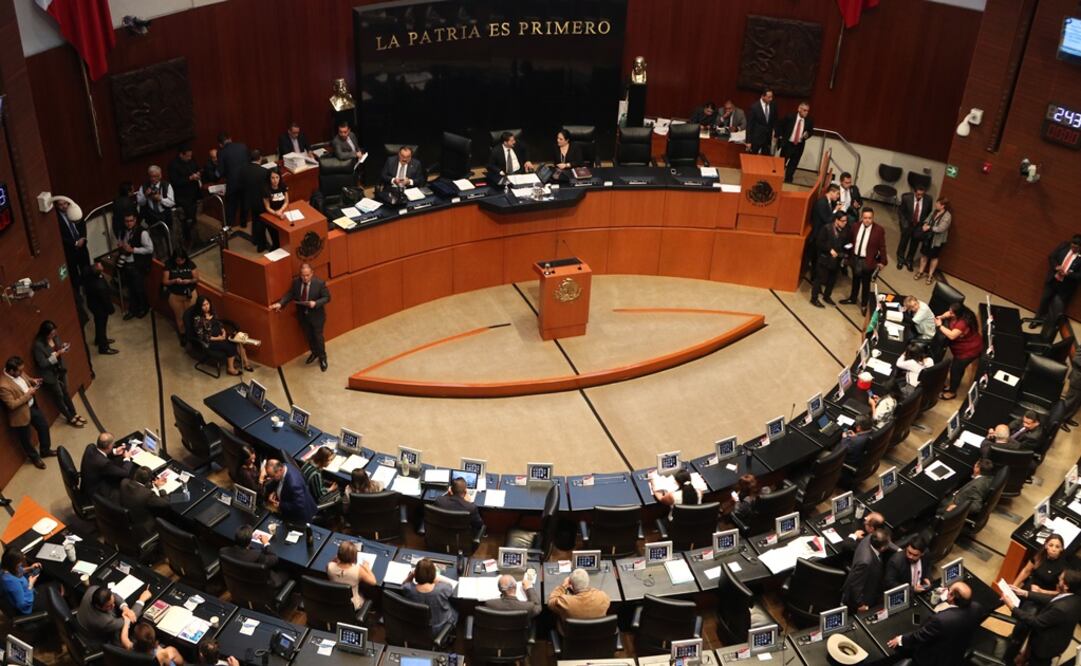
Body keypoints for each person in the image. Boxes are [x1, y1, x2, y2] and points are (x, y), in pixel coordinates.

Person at [886, 581, 981, 665]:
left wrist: (900, 639)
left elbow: (919, 636)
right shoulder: (977, 608)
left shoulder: (941, 620)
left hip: (934, 660)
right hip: (957, 652)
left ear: (951, 596)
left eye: (948, 590)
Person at [1006, 535, 1067, 660]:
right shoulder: (1039, 556)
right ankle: (1014, 640)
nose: (1054, 549)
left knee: (1026, 625)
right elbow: (1026, 571)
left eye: (1057, 546)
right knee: (1018, 621)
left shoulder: (1063, 567)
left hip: (1042, 599)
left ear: (1062, 549)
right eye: (1051, 545)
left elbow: (1059, 593)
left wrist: (1041, 591)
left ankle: (1016, 653)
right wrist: (1013, 586)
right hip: (1027, 592)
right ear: (1045, 546)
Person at [1006, 569, 1081, 666]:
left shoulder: (1061, 608)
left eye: (1061, 579)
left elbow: (1036, 622)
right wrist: (1024, 593)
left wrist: (1012, 607)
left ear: (1066, 586)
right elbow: (1054, 599)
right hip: (1058, 639)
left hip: (1045, 647)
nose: (1058, 579)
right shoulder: (1074, 597)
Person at [270, 262, 331, 371]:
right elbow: (290, 294)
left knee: (318, 338)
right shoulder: (296, 283)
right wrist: (281, 303)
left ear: (312, 273)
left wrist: (316, 303)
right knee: (309, 336)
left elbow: (327, 297)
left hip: (317, 317)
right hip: (303, 316)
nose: (305, 278)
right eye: (303, 275)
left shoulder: (319, 283)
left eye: (307, 275)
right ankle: (314, 353)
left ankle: (322, 357)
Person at [1, 355, 53, 469]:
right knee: (26, 440)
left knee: (43, 427)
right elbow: (11, 404)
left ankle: (45, 450)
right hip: (20, 415)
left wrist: (33, 380)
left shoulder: (19, 372)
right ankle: (35, 458)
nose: (22, 372)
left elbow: (25, 378)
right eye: (19, 370)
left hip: (32, 408)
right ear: (11, 371)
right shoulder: (3, 385)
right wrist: (28, 395)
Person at [32, 320, 86, 427]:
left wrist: (64, 347)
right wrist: (57, 354)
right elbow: (42, 364)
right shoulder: (38, 346)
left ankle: (74, 413)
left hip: (60, 369)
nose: (54, 335)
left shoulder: (55, 337)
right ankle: (69, 417)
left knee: (66, 392)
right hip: (50, 375)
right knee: (59, 396)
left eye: (54, 332)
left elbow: (59, 347)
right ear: (45, 333)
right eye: (51, 333)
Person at [840, 208, 888, 314]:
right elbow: (850, 241)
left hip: (868, 261)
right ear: (862, 217)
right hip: (855, 258)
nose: (867, 220)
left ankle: (864, 305)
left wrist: (883, 261)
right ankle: (852, 298)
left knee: (866, 284)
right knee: (855, 280)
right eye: (865, 218)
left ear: (873, 218)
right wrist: (846, 255)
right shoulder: (855, 226)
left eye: (870, 218)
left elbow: (882, 247)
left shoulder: (879, 230)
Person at [192, 296, 252, 376]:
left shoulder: (212, 312)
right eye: (203, 305)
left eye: (207, 304)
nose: (206, 307)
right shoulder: (198, 319)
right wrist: (218, 338)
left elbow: (219, 323)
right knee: (230, 346)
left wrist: (223, 331)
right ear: (200, 307)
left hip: (221, 336)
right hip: (211, 341)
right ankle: (230, 368)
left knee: (238, 340)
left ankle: (246, 363)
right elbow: (202, 336)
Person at [935, 302, 982, 400]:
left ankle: (952, 392)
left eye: (952, 313)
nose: (949, 313)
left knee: (955, 370)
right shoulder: (960, 314)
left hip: (968, 350)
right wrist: (942, 316)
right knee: (958, 369)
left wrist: (940, 326)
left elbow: (952, 336)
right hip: (963, 348)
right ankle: (953, 385)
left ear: (958, 313)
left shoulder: (962, 323)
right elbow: (947, 314)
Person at [401, 558, 458, 637]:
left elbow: (404, 584)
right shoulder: (442, 589)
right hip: (440, 628)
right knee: (456, 610)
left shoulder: (409, 589)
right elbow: (450, 586)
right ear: (433, 574)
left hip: (418, 627)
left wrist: (411, 575)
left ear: (416, 574)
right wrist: (436, 579)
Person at [77, 583, 152, 643]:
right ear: (98, 606)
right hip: (94, 636)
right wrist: (142, 599)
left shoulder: (92, 589)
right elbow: (130, 619)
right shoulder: (105, 621)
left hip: (82, 619)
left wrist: (125, 608)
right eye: (109, 606)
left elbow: (113, 595)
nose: (113, 605)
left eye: (113, 603)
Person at [221, 525, 289, 588]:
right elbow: (274, 559)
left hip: (238, 580)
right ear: (249, 541)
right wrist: (266, 543)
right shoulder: (256, 556)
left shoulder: (223, 551)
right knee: (288, 570)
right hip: (262, 585)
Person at [1034, 234, 1081, 326]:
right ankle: (1037, 320)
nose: (1073, 249)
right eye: (1072, 246)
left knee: (1057, 306)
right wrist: (1056, 267)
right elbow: (1052, 257)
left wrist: (1069, 274)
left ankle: (1049, 325)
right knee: (1044, 300)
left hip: (1066, 285)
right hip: (1053, 279)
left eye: (1076, 248)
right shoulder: (1063, 246)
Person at [841, 526, 892, 611]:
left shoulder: (871, 537)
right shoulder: (866, 562)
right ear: (883, 548)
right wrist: (860, 604)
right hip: (862, 595)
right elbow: (855, 586)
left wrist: (898, 549)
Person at [56, 196, 91, 316]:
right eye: (61, 205)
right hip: (70, 250)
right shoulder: (56, 219)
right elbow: (60, 236)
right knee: (74, 275)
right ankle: (79, 297)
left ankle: (89, 290)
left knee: (86, 269)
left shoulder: (74, 210)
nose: (64, 206)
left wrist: (83, 238)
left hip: (82, 248)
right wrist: (74, 243)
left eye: (66, 204)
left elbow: (82, 223)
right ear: (57, 206)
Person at [116, 213, 154, 319]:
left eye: (131, 221)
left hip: (138, 264)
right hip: (126, 262)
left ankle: (144, 307)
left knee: (139, 288)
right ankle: (133, 309)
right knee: (130, 288)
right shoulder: (122, 231)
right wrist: (120, 244)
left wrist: (133, 250)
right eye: (126, 221)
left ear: (135, 220)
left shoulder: (142, 232)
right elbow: (121, 241)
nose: (128, 223)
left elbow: (150, 249)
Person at [810, 210, 849, 307]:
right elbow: (819, 242)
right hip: (824, 259)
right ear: (837, 220)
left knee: (832, 280)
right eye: (843, 221)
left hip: (836, 260)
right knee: (819, 279)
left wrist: (845, 252)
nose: (845, 223)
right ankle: (814, 298)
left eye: (846, 221)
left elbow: (845, 243)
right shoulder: (826, 228)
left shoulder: (845, 230)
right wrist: (829, 250)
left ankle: (827, 296)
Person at [80, 432, 134, 500]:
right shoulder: (104, 463)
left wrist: (115, 451)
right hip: (95, 492)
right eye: (112, 444)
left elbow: (101, 452)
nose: (113, 445)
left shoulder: (90, 447)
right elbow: (124, 473)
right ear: (109, 446)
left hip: (86, 484)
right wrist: (127, 458)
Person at [167, 144, 202, 248]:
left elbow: (197, 168)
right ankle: (188, 241)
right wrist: (190, 178)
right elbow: (175, 182)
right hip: (183, 197)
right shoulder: (173, 165)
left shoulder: (191, 160)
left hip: (194, 194)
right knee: (187, 221)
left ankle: (197, 239)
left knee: (194, 219)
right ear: (181, 155)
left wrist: (198, 174)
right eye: (187, 156)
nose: (190, 158)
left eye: (191, 156)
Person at [263, 458, 317, 524]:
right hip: (288, 505)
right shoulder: (285, 466)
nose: (270, 478)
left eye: (272, 476)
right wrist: (274, 491)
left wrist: (280, 505)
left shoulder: (294, 484)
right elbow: (278, 482)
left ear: (280, 470)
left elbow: (299, 505)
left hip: (299, 517)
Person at [119, 465, 169, 535]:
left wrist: (153, 485)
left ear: (135, 474)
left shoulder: (124, 482)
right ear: (148, 480)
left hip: (124, 518)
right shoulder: (147, 494)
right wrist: (160, 488)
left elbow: (138, 487)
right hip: (143, 526)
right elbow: (165, 503)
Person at [326, 540, 376, 610]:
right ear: (354, 558)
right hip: (352, 605)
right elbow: (373, 582)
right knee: (366, 592)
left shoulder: (330, 566)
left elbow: (332, 562)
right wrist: (367, 568)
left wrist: (337, 558)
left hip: (335, 600)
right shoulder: (358, 570)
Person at [163, 249, 199, 344]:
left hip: (189, 294)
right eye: (178, 260)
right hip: (175, 295)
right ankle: (183, 335)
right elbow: (165, 281)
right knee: (180, 316)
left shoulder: (190, 264)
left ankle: (193, 335)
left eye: (182, 260)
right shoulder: (169, 265)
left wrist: (189, 281)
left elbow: (196, 279)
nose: (180, 262)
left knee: (192, 315)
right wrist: (174, 281)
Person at [805, 184, 842, 277]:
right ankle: (814, 277)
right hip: (817, 234)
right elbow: (827, 219)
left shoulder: (829, 202)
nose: (838, 197)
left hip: (821, 233)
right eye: (837, 194)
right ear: (831, 192)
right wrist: (835, 211)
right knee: (814, 257)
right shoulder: (821, 203)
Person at [914, 197, 952, 284]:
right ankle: (920, 271)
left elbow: (941, 228)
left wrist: (929, 227)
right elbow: (928, 219)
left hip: (937, 240)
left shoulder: (947, 216)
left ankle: (930, 275)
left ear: (943, 206)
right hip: (928, 238)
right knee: (924, 254)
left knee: (934, 257)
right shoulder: (934, 211)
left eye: (938, 203)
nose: (936, 204)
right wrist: (925, 224)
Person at [0, 549, 48, 615]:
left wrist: (30, 568)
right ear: (13, 564)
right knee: (54, 588)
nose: (21, 564)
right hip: (30, 605)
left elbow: (18, 570)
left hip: (30, 591)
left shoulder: (6, 568)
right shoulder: (11, 582)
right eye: (19, 563)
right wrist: (31, 584)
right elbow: (22, 605)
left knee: (47, 580)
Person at [85, 262, 118, 355]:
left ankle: (99, 339)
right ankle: (103, 347)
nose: (101, 265)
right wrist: (111, 309)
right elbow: (105, 300)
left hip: (93, 304)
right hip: (100, 308)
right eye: (100, 266)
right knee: (101, 326)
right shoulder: (100, 286)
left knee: (98, 323)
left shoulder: (90, 277)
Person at [775, 102, 813, 183]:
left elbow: (811, 131)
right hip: (788, 144)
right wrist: (780, 136)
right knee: (782, 163)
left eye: (807, 111)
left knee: (793, 164)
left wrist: (807, 135)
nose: (806, 112)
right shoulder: (790, 117)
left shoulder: (809, 120)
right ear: (799, 109)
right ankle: (777, 178)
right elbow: (780, 125)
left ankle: (788, 180)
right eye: (804, 110)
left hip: (799, 146)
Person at [217, 132, 249, 228]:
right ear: (230, 139)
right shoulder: (242, 146)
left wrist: (214, 176)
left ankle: (229, 225)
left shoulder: (221, 152)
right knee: (245, 202)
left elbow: (220, 171)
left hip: (232, 183)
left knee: (231, 205)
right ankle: (244, 223)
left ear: (220, 144)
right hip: (245, 179)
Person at [897, 185, 932, 271]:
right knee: (903, 243)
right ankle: (900, 259)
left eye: (921, 195)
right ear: (914, 192)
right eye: (918, 194)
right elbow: (901, 211)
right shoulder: (906, 198)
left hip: (919, 226)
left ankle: (909, 260)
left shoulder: (928, 200)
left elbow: (929, 213)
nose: (919, 196)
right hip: (907, 225)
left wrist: (925, 224)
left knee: (914, 244)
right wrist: (903, 224)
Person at [120, 621, 185, 665]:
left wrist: (126, 622)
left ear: (135, 639)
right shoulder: (161, 654)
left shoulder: (130, 647)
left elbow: (124, 637)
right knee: (171, 650)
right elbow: (174, 663)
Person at [136, 165, 176, 234]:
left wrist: (160, 199)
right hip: (151, 218)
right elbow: (140, 202)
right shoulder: (144, 186)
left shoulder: (166, 185)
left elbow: (172, 202)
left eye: (155, 176)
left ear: (160, 176)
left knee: (168, 238)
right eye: (151, 176)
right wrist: (145, 195)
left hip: (165, 217)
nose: (153, 179)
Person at [256, 170, 286, 252]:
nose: (275, 180)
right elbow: (267, 207)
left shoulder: (283, 186)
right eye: (272, 178)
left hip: (282, 212)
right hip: (271, 214)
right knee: (276, 237)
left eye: (277, 177)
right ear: (269, 179)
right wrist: (277, 214)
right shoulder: (266, 190)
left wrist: (281, 210)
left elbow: (286, 201)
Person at [241, 150, 269, 236]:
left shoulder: (243, 170)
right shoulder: (264, 171)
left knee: (254, 219)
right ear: (260, 158)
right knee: (261, 222)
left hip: (248, 200)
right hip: (260, 200)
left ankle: (255, 239)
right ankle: (260, 243)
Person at [746, 88, 775, 155]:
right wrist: (748, 141)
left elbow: (772, 122)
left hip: (767, 139)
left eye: (771, 97)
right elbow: (749, 125)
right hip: (755, 139)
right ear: (762, 96)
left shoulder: (773, 106)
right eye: (769, 97)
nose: (771, 99)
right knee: (752, 159)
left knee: (765, 160)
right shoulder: (754, 107)